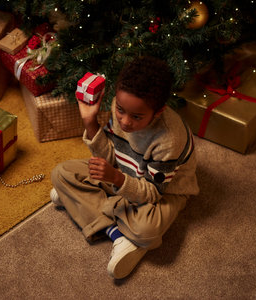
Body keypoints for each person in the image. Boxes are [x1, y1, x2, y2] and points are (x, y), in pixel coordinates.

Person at [50, 55, 199, 279]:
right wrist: (90, 122)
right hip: (122, 173)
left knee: (146, 230)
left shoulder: (169, 140)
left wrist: (116, 179)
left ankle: (86, 204)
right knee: (61, 174)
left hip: (163, 193)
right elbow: (111, 158)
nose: (125, 121)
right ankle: (117, 234)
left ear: (157, 112)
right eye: (120, 110)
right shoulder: (119, 107)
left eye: (137, 117)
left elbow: (152, 193)